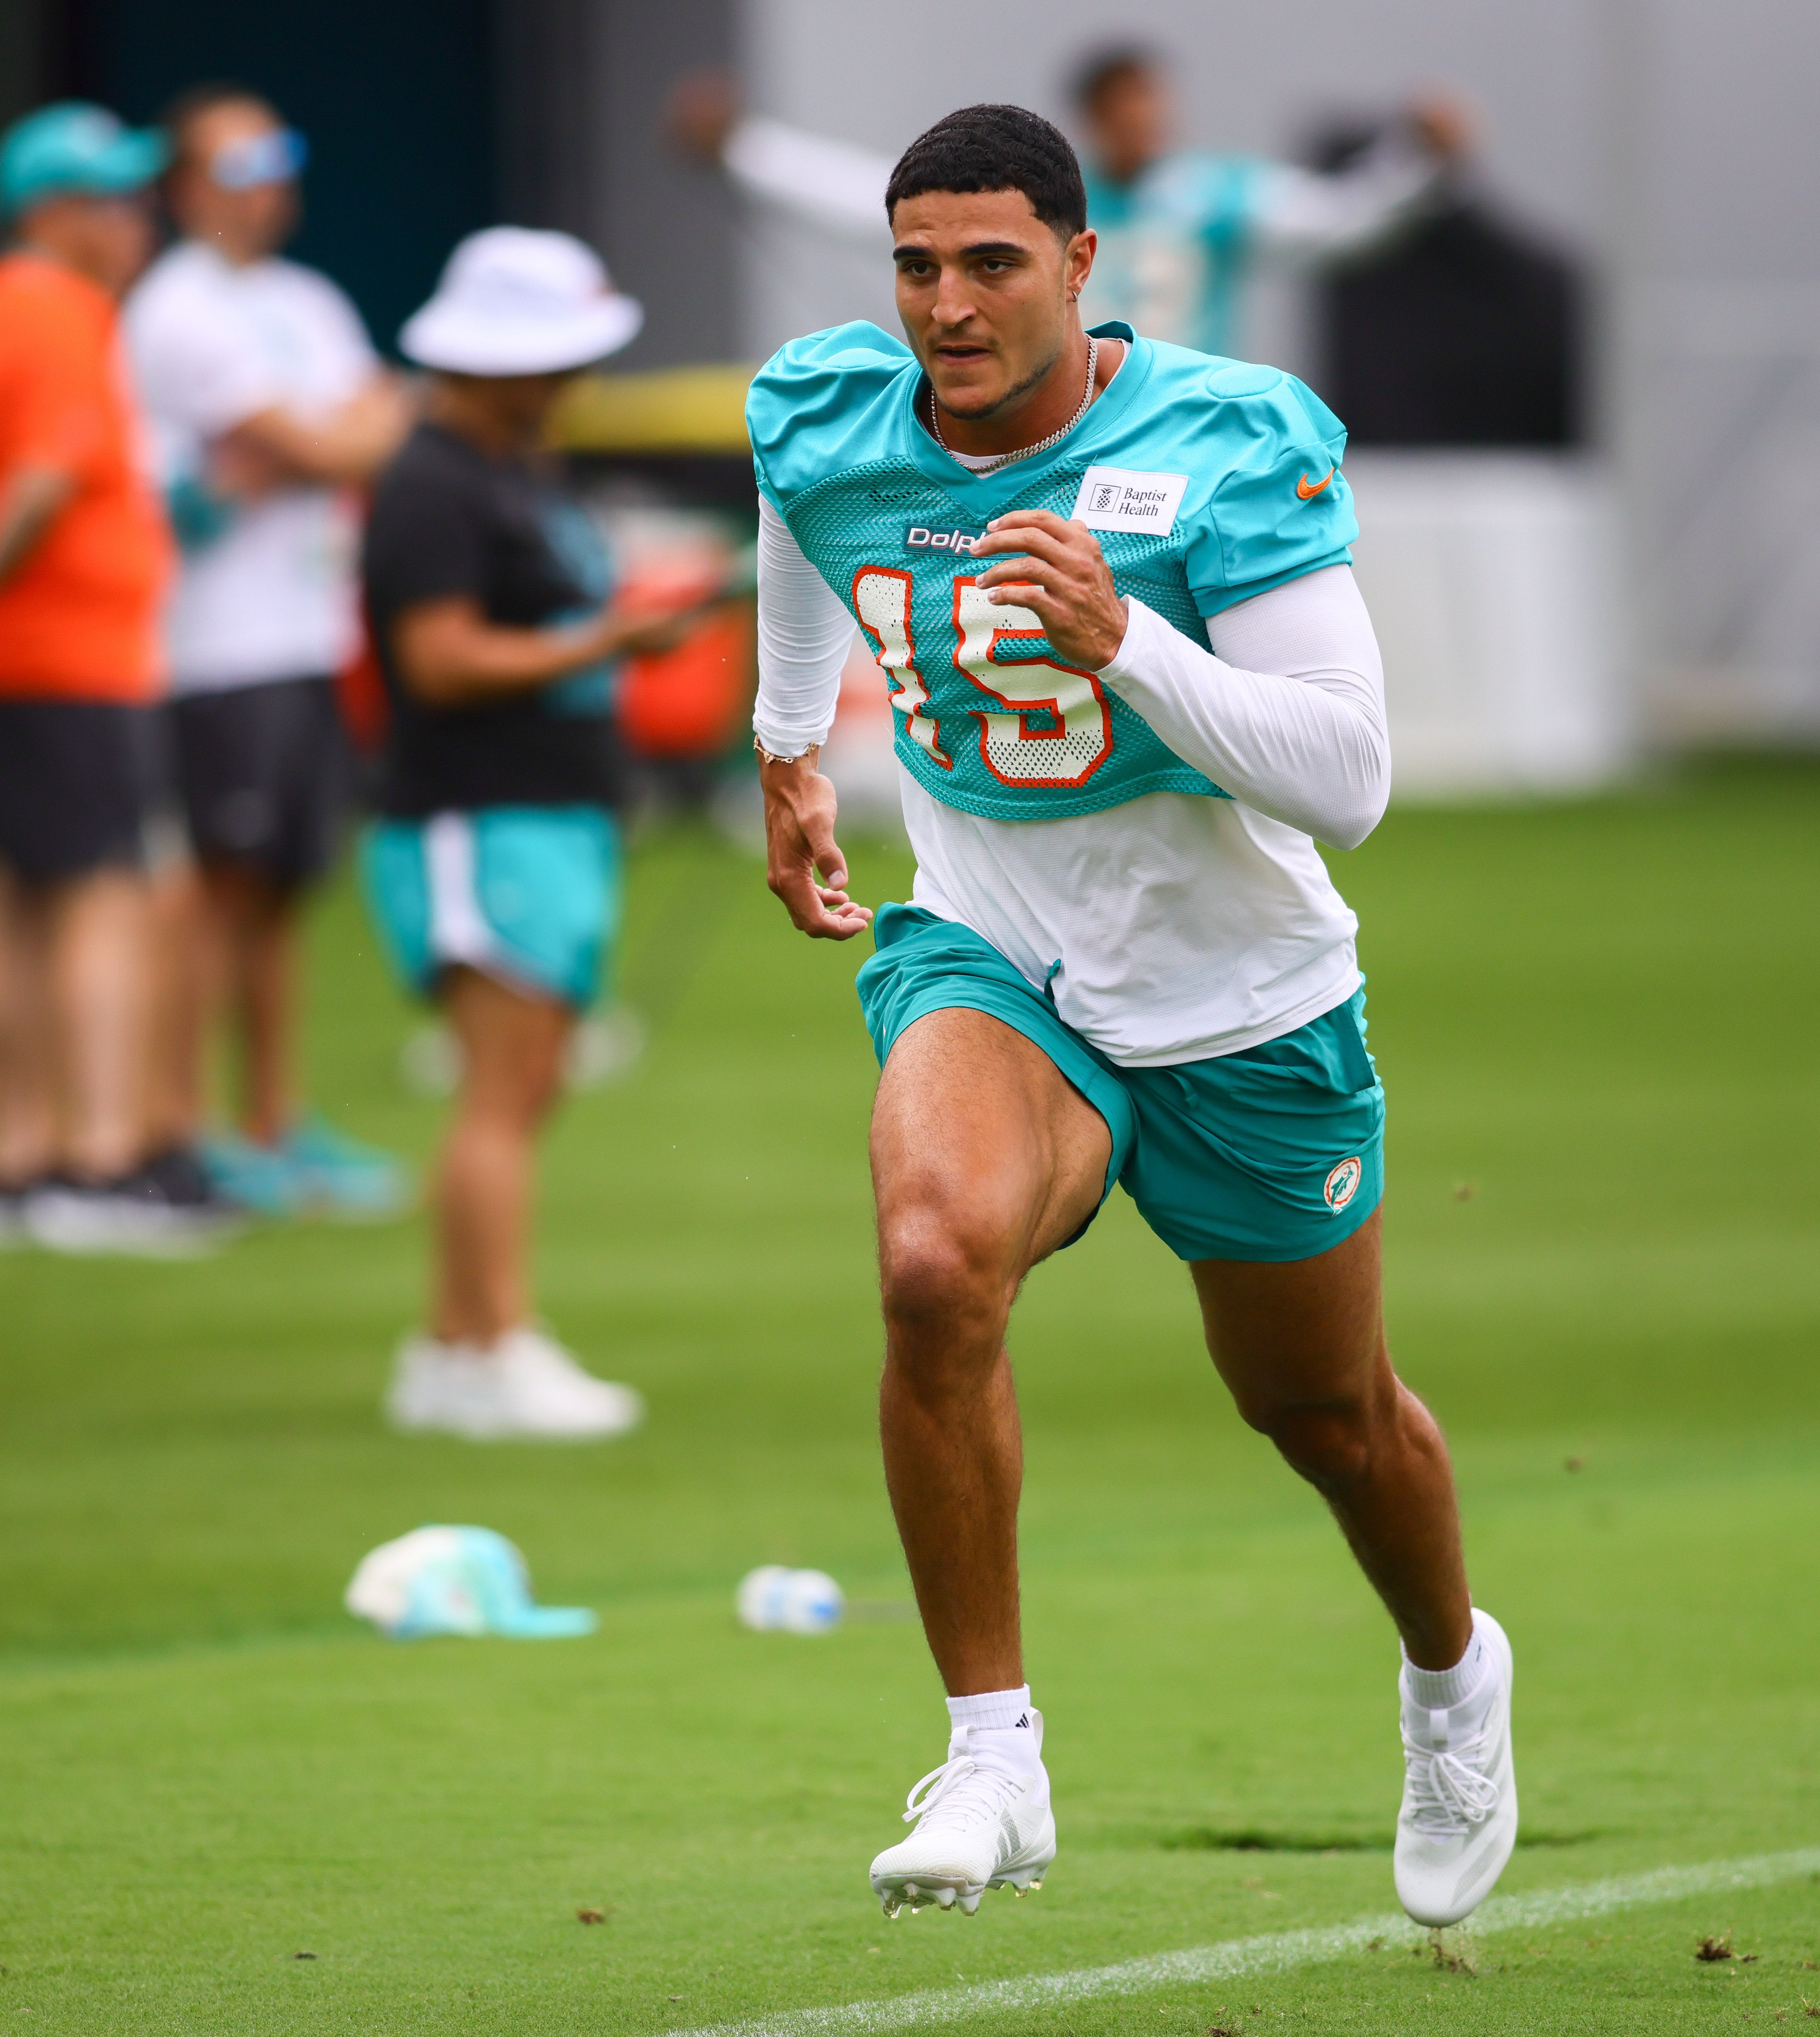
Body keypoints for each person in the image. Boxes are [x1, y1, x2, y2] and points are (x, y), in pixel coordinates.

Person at [745, 105, 1516, 1928]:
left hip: (1241, 993)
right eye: (918, 263)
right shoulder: (832, 408)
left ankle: (1449, 1675)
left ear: (1082, 265)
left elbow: (1349, 777)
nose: (948, 303)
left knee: (1325, 1412)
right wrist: (790, 740)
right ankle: (990, 1752)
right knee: (936, 1262)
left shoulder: (1218, 435)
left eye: (992, 261)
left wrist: (1134, 647)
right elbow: (801, 510)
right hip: (991, 944)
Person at [357, 229, 709, 1439]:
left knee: (529, 1080)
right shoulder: (431, 482)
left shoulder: (513, 467)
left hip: (547, 813)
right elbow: (439, 660)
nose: (572, 382)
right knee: (499, 1087)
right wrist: (609, 641)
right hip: (475, 813)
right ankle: (489, 1345)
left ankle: (458, 1345)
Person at [0, 103, 229, 1256]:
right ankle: (102, 1160)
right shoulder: (65, 316)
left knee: (10, 901)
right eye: (116, 201)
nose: (137, 223)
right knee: (102, 895)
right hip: (70, 656)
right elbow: (38, 480)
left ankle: (13, 1163)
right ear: (54, 213)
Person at [124, 84, 411, 1219]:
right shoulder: (176, 309)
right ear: (190, 189)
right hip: (216, 646)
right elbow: (316, 435)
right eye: (241, 168)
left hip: (305, 635)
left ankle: (272, 1121)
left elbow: (371, 429)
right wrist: (322, 440)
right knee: (215, 887)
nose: (269, 186)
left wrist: (316, 443)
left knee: (283, 890)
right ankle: (185, 1123)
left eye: (279, 159)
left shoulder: (308, 297)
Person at [666, 46, 1467, 359]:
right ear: (1096, 116)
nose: (1146, 123)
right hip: (1062, 413)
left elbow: (1339, 224)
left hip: (1178, 418)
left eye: (1154, 104)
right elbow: (864, 197)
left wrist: (1415, 163)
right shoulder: (1046, 196)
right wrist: (743, 149)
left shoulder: (1215, 196)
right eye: (1128, 107)